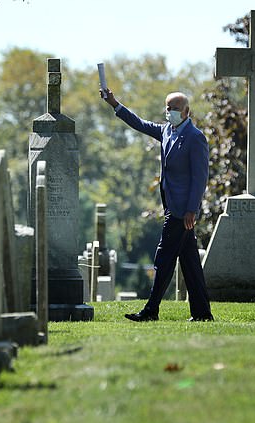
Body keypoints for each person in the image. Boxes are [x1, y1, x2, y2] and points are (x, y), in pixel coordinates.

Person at [100, 88, 213, 322]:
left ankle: (151, 310)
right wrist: (114, 103)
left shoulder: (195, 137)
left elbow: (199, 178)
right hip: (171, 205)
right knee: (190, 262)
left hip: (182, 211)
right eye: (168, 108)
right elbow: (138, 123)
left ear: (187, 111)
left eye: (175, 109)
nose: (170, 112)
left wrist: (192, 209)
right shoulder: (166, 131)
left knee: (164, 258)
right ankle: (202, 313)